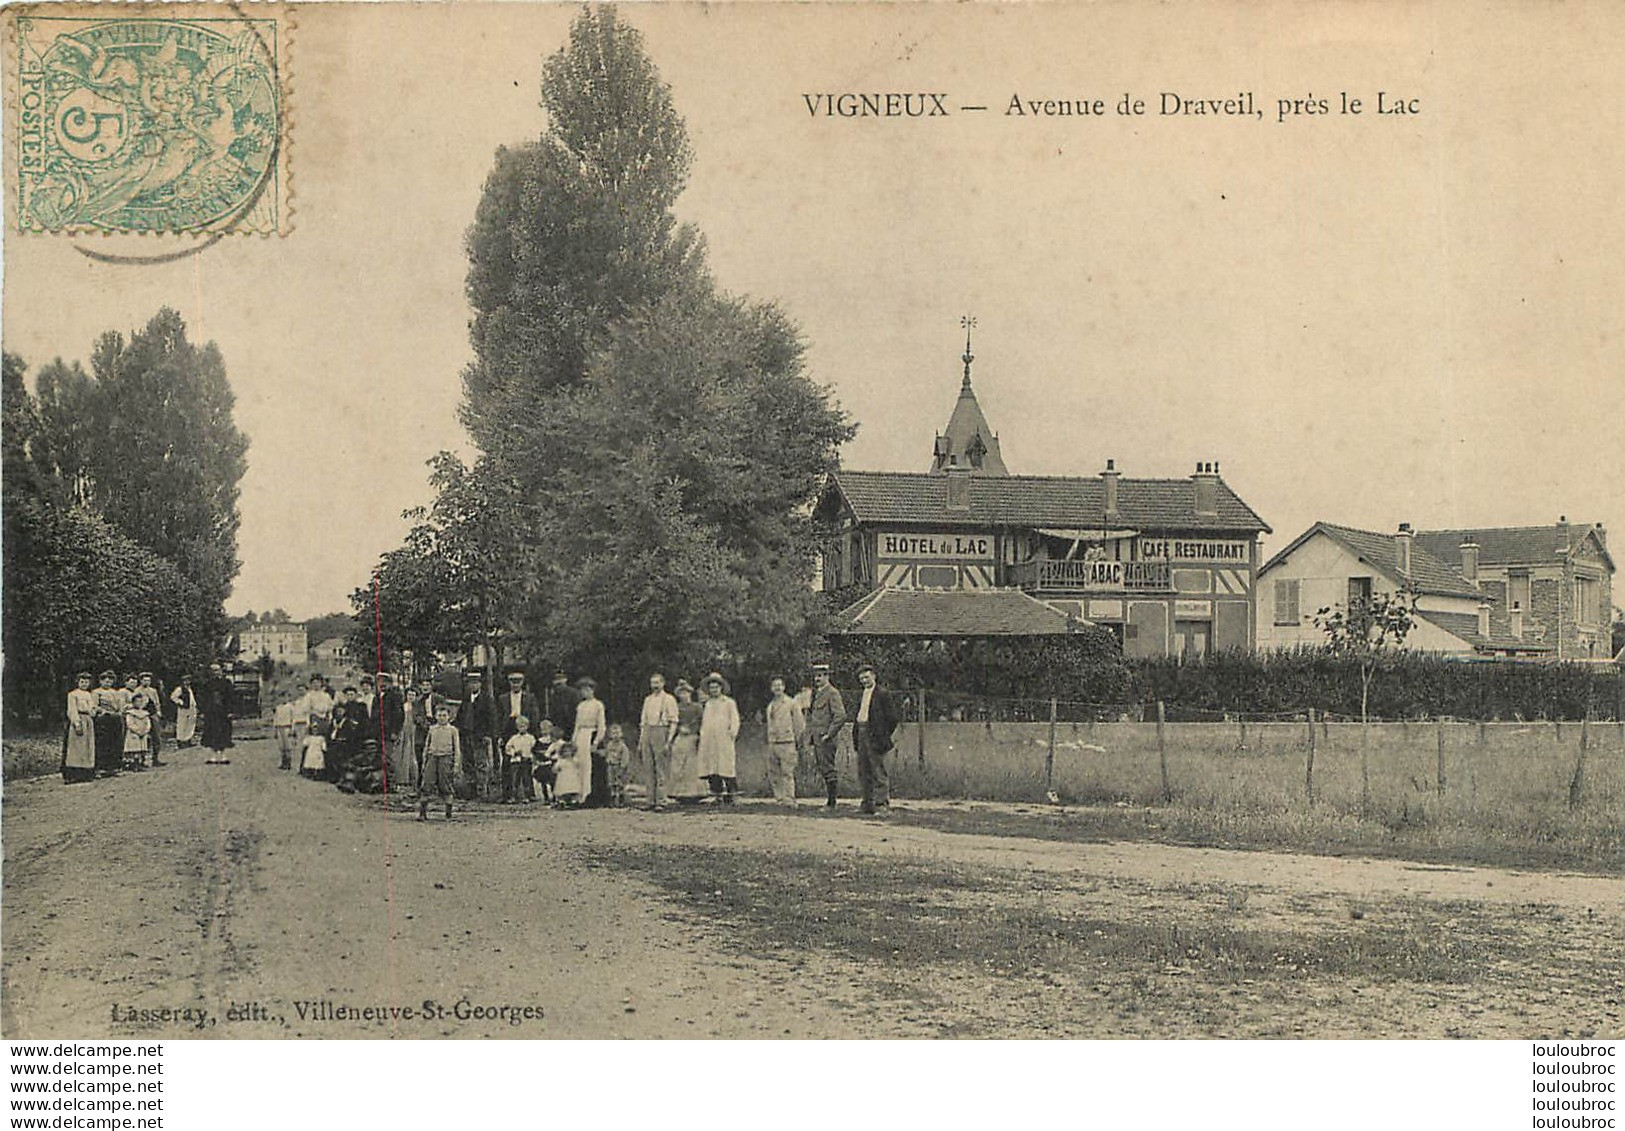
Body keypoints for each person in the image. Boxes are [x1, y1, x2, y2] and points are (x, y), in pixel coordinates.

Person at [849, 663, 901, 816]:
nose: (864, 680)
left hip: (875, 736)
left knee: (878, 771)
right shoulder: (862, 694)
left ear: (874, 676)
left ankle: (882, 805)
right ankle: (867, 804)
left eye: (867, 677)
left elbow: (893, 718)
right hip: (861, 732)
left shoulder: (882, 693)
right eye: (861, 678)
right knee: (863, 770)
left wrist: (882, 735)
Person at [806, 663, 847, 809]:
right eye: (816, 676)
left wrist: (829, 734)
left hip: (826, 739)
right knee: (823, 768)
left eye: (821, 675)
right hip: (817, 739)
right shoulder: (817, 693)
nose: (817, 678)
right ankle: (830, 801)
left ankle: (831, 803)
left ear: (827, 676)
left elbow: (841, 716)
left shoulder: (832, 693)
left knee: (828, 768)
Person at [498, 667, 542, 802]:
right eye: (512, 681)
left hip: (524, 727)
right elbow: (498, 717)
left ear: (522, 682)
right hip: (508, 728)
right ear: (509, 682)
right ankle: (508, 794)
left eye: (518, 681)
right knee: (507, 763)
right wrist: (499, 735)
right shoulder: (502, 698)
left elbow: (535, 715)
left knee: (526, 763)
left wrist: (534, 733)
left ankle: (528, 793)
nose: (515, 684)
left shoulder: (530, 697)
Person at [637, 672, 679, 810]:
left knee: (660, 768)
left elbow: (674, 721)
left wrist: (668, 741)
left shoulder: (669, 699)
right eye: (652, 683)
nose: (655, 686)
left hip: (661, 730)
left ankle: (661, 801)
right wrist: (641, 740)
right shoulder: (648, 700)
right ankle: (650, 800)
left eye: (657, 683)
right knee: (648, 767)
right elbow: (643, 721)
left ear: (663, 683)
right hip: (648, 731)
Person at [697, 672, 741, 803]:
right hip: (709, 740)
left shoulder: (728, 702)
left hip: (724, 739)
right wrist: (703, 735)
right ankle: (717, 795)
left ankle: (733, 794)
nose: (714, 690)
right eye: (711, 688)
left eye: (716, 687)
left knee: (726, 766)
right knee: (712, 768)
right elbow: (705, 722)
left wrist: (732, 733)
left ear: (721, 688)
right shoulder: (708, 704)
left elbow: (735, 719)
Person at [763, 675, 807, 806]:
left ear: (784, 687)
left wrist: (796, 739)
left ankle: (789, 799)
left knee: (787, 772)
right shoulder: (770, 706)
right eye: (774, 686)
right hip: (773, 742)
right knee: (774, 772)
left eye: (779, 685)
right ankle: (779, 798)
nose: (777, 688)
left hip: (787, 742)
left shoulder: (791, 703)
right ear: (771, 688)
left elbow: (799, 724)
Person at [418, 702, 459, 821]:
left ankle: (448, 813)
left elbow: (456, 748)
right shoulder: (432, 729)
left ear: (449, 717)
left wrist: (456, 764)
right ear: (435, 716)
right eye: (439, 715)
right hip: (432, 757)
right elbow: (427, 746)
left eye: (444, 715)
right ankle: (422, 812)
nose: (441, 718)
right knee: (427, 783)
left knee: (445, 784)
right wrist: (424, 761)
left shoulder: (452, 730)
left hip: (446, 758)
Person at [667, 680, 706, 804]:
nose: (684, 695)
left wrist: (698, 734)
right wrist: (679, 729)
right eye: (681, 693)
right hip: (680, 737)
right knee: (678, 764)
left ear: (690, 693)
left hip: (693, 736)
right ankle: (678, 793)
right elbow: (672, 721)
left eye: (686, 693)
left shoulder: (697, 707)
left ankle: (695, 793)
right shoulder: (676, 707)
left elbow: (702, 723)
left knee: (692, 766)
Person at [454, 672, 492, 800]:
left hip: (479, 736)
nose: (473, 685)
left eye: (476, 682)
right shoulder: (466, 699)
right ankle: (470, 791)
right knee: (467, 763)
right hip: (466, 735)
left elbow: (491, 719)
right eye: (471, 683)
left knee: (480, 764)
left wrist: (488, 734)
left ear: (480, 684)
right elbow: (460, 717)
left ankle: (482, 791)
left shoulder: (486, 699)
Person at [572, 677, 608, 807]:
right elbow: (577, 725)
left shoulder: (598, 705)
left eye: (587, 689)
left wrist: (596, 742)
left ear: (592, 690)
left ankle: (590, 795)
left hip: (591, 735)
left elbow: (601, 725)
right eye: (582, 690)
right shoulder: (580, 706)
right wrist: (574, 740)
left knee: (589, 767)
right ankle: (579, 795)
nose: (585, 692)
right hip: (581, 736)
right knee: (579, 766)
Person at [63, 671, 98, 784]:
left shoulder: (89, 694)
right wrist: (76, 723)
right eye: (82, 681)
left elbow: (92, 707)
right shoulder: (73, 694)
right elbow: (72, 710)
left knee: (88, 746)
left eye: (86, 682)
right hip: (79, 718)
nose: (84, 684)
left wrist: (93, 712)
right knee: (77, 747)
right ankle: (73, 774)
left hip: (88, 720)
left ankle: (86, 773)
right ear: (77, 682)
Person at [199, 662, 234, 764]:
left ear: (221, 671)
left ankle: (223, 756)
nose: (215, 672)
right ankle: (213, 756)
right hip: (211, 712)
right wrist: (202, 711)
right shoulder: (207, 684)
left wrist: (230, 711)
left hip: (223, 712)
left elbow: (231, 698)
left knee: (223, 732)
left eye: (217, 670)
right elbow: (203, 699)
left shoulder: (226, 683)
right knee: (212, 732)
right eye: (213, 670)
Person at [91, 670, 124, 777]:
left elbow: (119, 706)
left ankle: (113, 767)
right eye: (105, 680)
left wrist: (119, 712)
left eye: (110, 681)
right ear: (100, 681)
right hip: (103, 719)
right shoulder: (96, 692)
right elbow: (94, 706)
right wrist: (102, 711)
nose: (108, 682)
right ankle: (100, 768)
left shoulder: (115, 692)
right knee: (102, 744)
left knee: (115, 743)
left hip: (114, 719)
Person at [503, 715, 538, 804]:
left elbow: (534, 748)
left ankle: (527, 796)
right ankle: (514, 796)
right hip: (516, 761)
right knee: (515, 779)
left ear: (527, 726)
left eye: (524, 726)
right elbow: (508, 748)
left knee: (526, 778)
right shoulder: (514, 738)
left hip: (526, 760)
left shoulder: (530, 738)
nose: (522, 728)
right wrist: (513, 752)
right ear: (517, 727)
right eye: (520, 726)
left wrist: (532, 756)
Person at [135, 672, 165, 766]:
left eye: (148, 680)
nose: (147, 682)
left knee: (156, 737)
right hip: (142, 715)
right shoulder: (137, 691)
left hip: (153, 714)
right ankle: (141, 760)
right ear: (141, 681)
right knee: (142, 737)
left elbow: (157, 702)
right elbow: (136, 704)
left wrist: (158, 711)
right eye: (145, 680)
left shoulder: (153, 691)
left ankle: (155, 758)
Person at [396, 686, 421, 792]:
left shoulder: (417, 707)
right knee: (402, 753)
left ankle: (414, 779)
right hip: (404, 730)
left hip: (414, 731)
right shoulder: (403, 706)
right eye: (409, 695)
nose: (411, 697)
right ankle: (402, 779)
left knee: (413, 754)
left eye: (413, 695)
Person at [601, 723, 632, 807]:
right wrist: (607, 760)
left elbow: (625, 757)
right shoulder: (609, 745)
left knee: (620, 783)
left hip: (619, 766)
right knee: (611, 783)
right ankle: (613, 799)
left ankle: (621, 800)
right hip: (611, 766)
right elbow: (607, 753)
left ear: (621, 734)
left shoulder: (622, 746)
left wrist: (622, 766)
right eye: (614, 733)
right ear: (610, 735)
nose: (616, 736)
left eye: (617, 733)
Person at [533, 719, 563, 804]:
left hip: (551, 763)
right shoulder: (539, 741)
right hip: (542, 763)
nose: (545, 731)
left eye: (547, 729)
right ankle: (545, 797)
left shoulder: (554, 741)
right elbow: (535, 751)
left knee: (552, 780)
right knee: (543, 781)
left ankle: (554, 796)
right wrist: (538, 758)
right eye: (543, 729)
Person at [122, 694, 153, 771]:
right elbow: (129, 724)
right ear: (133, 702)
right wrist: (138, 731)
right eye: (137, 701)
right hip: (134, 733)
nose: (139, 703)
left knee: (142, 748)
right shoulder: (130, 713)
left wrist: (145, 730)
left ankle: (141, 763)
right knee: (134, 748)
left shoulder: (145, 713)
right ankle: (133, 765)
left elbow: (148, 723)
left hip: (143, 733)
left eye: (140, 701)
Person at [170, 676, 198, 747]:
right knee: (182, 724)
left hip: (191, 708)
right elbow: (173, 697)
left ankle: (188, 739)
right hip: (183, 709)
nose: (187, 682)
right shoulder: (180, 689)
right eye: (185, 681)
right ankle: (180, 740)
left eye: (188, 680)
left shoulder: (190, 688)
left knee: (190, 724)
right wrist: (180, 702)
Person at [273, 694, 297, 770]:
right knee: (281, 746)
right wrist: (275, 731)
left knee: (288, 746)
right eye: (281, 697)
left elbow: (293, 719)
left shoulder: (290, 707)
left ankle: (288, 763)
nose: (283, 699)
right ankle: (283, 762)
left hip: (287, 727)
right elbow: (276, 719)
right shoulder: (278, 707)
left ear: (288, 698)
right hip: (280, 727)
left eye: (285, 697)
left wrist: (292, 729)